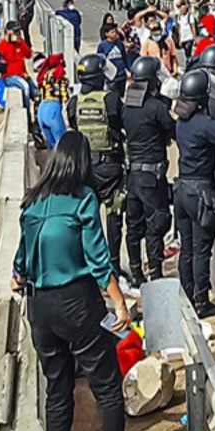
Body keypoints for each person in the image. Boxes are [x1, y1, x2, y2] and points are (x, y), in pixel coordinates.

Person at [13, 132, 144, 431]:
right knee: (106, 388)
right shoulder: (83, 201)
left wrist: (18, 274)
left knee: (58, 388)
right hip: (77, 303)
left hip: (39, 307)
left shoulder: (33, 203)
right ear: (83, 163)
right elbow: (100, 263)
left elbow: (20, 264)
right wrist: (120, 305)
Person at [173, 70, 215, 319]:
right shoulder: (204, 124)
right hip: (200, 191)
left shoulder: (182, 121)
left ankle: (187, 297)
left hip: (182, 189)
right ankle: (202, 302)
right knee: (201, 250)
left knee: (186, 249)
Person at [68, 54, 128, 280]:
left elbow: (74, 129)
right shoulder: (110, 100)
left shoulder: (74, 102)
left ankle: (90, 264)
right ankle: (113, 265)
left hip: (84, 169)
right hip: (109, 166)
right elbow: (122, 125)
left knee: (87, 219)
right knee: (114, 215)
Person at [122, 56, 175, 286]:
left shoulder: (126, 108)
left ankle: (136, 273)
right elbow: (171, 131)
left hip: (132, 174)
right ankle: (155, 272)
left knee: (133, 225)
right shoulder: (156, 108)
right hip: (152, 175)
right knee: (157, 221)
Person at [0, 20, 38, 111]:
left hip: (22, 74)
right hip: (10, 76)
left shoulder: (20, 43)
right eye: (15, 32)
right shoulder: (1, 47)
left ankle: (37, 114)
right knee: (25, 87)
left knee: (37, 94)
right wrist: (21, 74)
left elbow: (28, 55)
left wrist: (21, 43)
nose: (17, 34)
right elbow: (6, 68)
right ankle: (27, 113)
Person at [97, 21, 130, 102]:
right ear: (106, 34)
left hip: (121, 75)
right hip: (111, 77)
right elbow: (100, 60)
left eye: (115, 31)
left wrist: (128, 70)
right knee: (113, 96)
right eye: (112, 32)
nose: (115, 34)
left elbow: (125, 57)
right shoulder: (103, 46)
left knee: (121, 96)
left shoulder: (120, 44)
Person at [36, 79, 67, 149]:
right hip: (53, 111)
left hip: (41, 110)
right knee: (62, 145)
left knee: (52, 147)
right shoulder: (60, 74)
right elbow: (64, 94)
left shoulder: (45, 73)